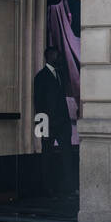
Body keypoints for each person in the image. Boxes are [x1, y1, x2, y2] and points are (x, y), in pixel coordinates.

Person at [33, 47, 71, 202]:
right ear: (49, 56)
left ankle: (67, 188)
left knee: (66, 156)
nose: (59, 57)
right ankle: (47, 189)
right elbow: (38, 102)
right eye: (57, 54)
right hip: (47, 123)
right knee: (47, 156)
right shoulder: (41, 77)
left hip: (62, 123)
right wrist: (40, 126)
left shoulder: (60, 74)